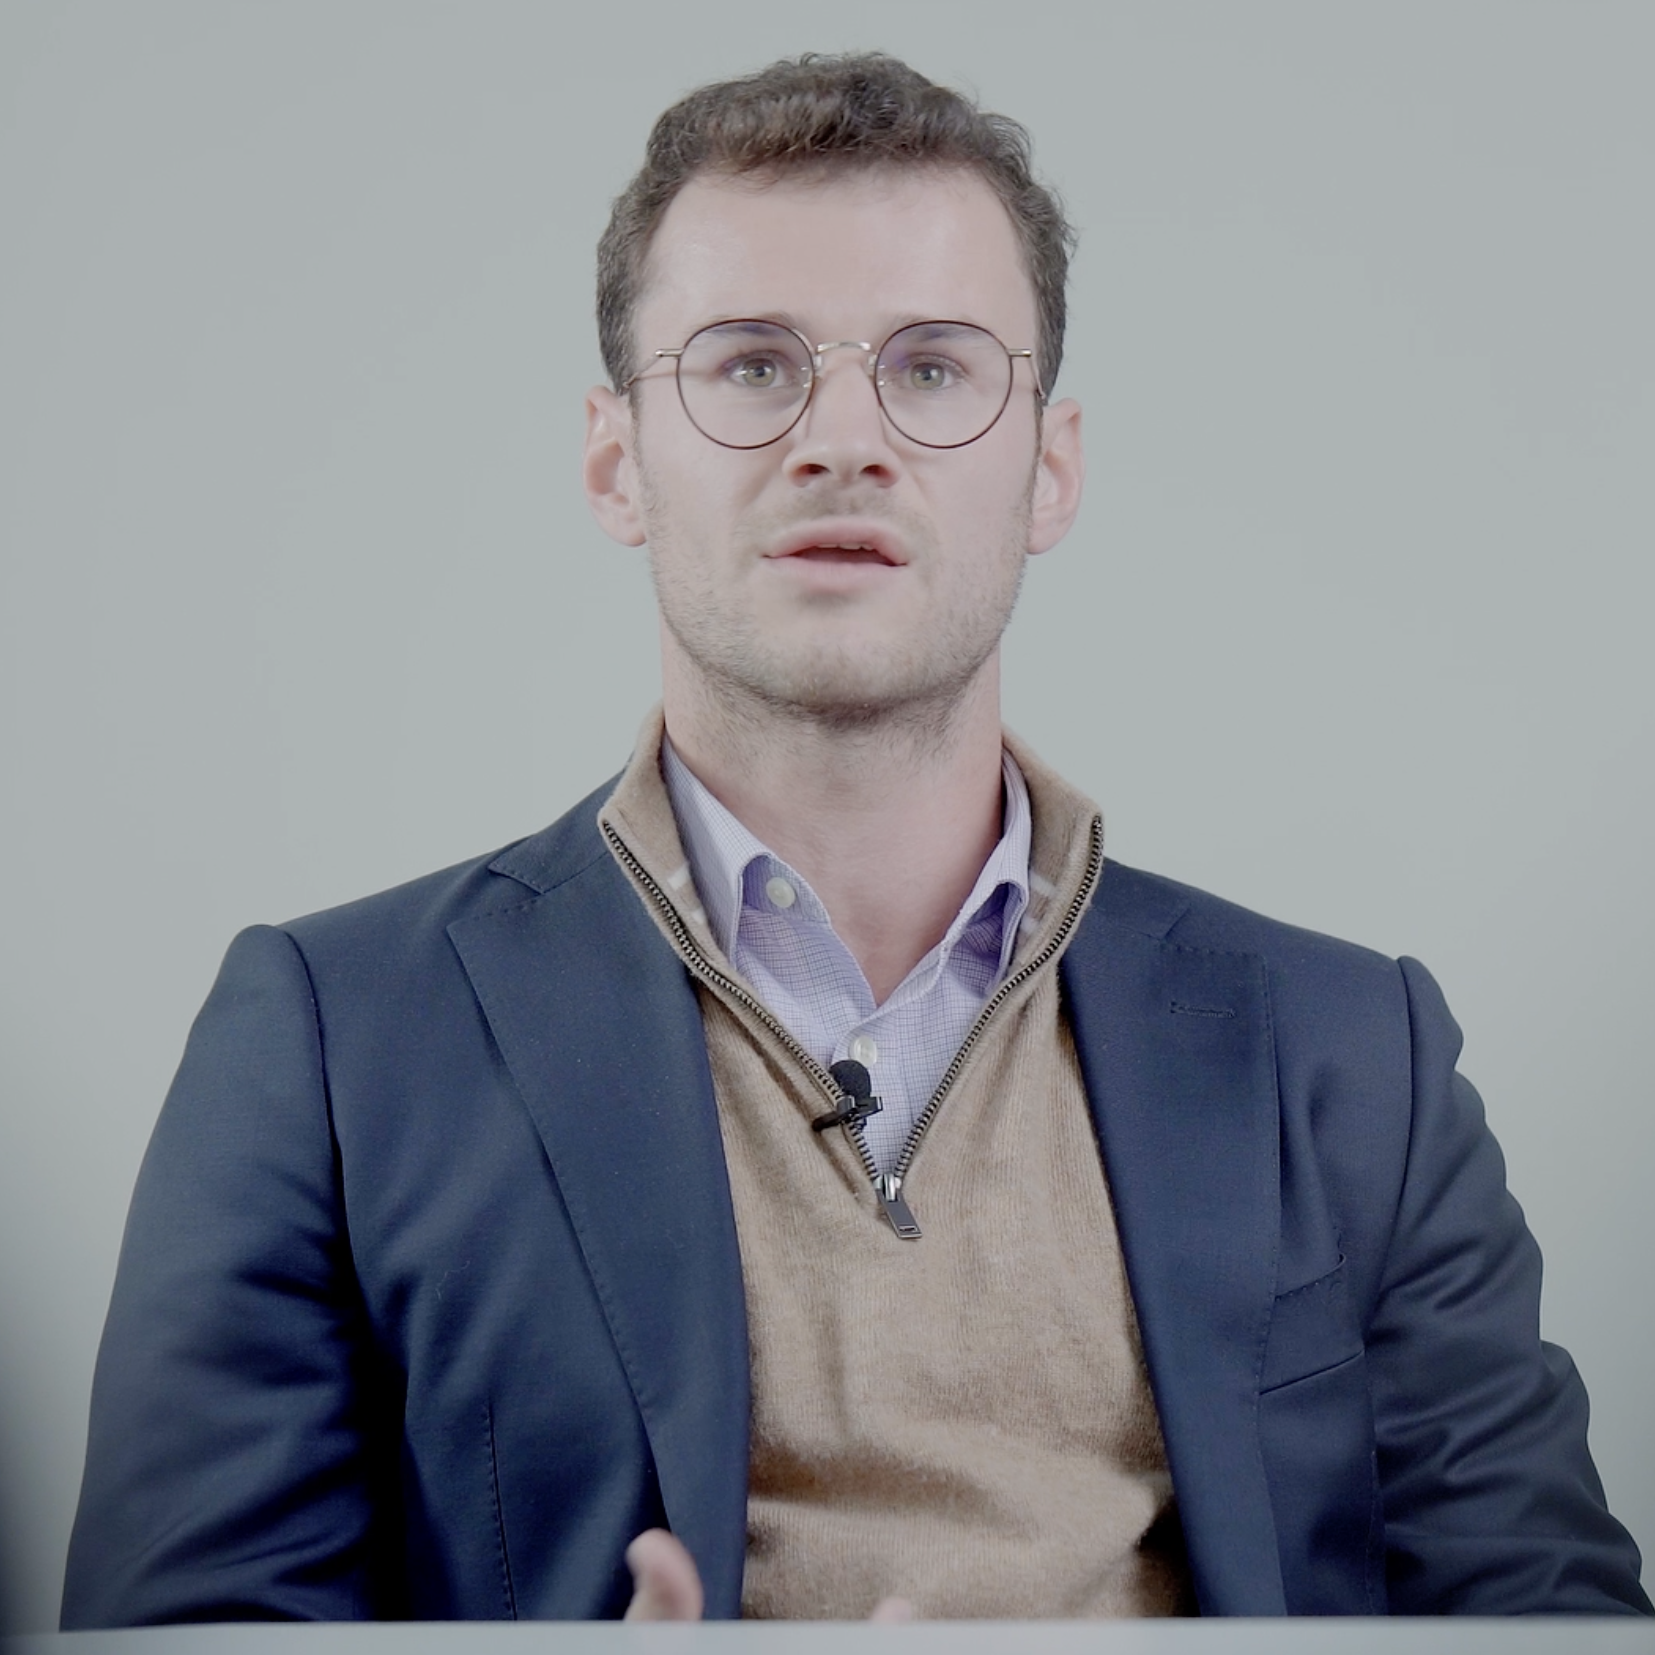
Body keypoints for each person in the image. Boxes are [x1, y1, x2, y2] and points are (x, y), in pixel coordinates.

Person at [61, 52, 1650, 1625]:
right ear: (618, 458)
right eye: (750, 364)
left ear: (1052, 466)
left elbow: (1543, 1629)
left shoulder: (1345, 1051)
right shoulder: (333, 1044)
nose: (843, 439)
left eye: (935, 367)